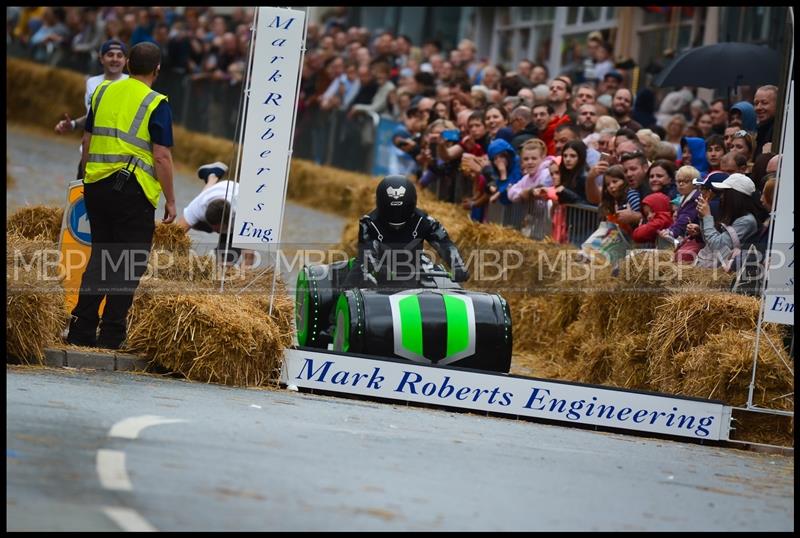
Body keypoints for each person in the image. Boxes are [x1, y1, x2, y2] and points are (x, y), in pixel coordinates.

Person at [66, 42, 176, 349]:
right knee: (127, 264)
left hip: (96, 187)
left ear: (127, 65)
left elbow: (87, 141)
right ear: (158, 69)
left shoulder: (102, 92)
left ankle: (81, 330)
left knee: (101, 258)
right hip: (133, 191)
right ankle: (112, 335)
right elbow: (162, 156)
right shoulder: (156, 102)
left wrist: (84, 179)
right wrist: (170, 199)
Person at [344, 175, 469, 287]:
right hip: (379, 269)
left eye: (401, 210)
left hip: (416, 268)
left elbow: (444, 243)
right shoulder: (368, 223)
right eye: (391, 210)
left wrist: (457, 265)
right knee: (352, 283)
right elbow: (367, 254)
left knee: (449, 286)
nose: (396, 215)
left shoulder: (425, 221)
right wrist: (377, 268)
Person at [54, 39, 130, 178]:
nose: (115, 59)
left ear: (126, 60)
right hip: (88, 155)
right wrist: (73, 124)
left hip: (116, 161)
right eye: (110, 55)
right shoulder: (92, 82)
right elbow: (92, 115)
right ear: (101, 59)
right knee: (80, 199)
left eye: (119, 56)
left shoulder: (131, 84)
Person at [176, 162, 255, 267]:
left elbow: (249, 257)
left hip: (238, 204)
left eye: (218, 229)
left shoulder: (244, 217)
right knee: (194, 223)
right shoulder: (199, 206)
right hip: (213, 196)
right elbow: (175, 233)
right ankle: (212, 177)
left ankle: (212, 177)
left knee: (225, 264)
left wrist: (242, 276)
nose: (216, 232)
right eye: (215, 229)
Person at [694, 173, 760, 271]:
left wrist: (707, 217)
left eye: (725, 193)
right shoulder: (734, 215)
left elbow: (717, 246)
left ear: (735, 196)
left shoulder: (746, 221)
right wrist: (702, 218)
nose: (721, 197)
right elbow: (709, 242)